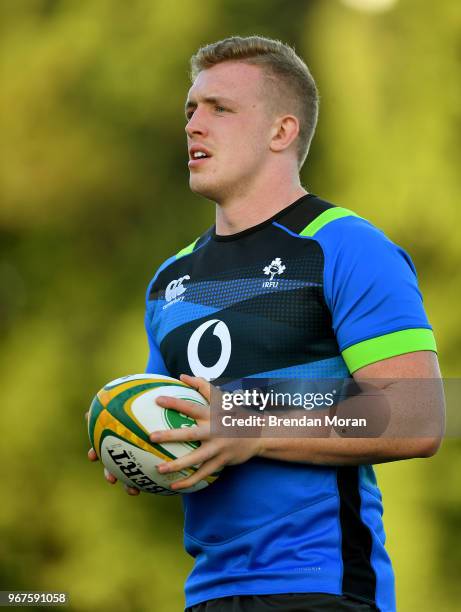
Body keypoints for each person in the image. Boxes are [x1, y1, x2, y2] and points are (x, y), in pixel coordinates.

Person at [88, 36, 443, 612]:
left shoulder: (346, 246)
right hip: (206, 590)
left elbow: (419, 414)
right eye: (190, 110)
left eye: (220, 109)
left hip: (322, 583)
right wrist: (137, 445)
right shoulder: (170, 279)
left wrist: (250, 428)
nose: (194, 124)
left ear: (282, 132)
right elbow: (181, 419)